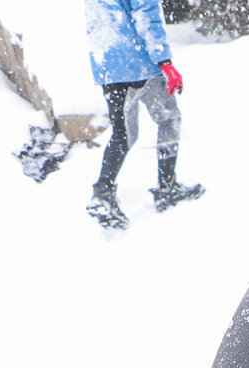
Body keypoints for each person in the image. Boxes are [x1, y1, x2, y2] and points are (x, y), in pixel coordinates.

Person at [84, 0, 204, 229]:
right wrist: (165, 61)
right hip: (138, 62)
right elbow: (146, 14)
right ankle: (166, 188)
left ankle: (103, 193)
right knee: (169, 119)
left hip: (107, 63)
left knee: (124, 133)